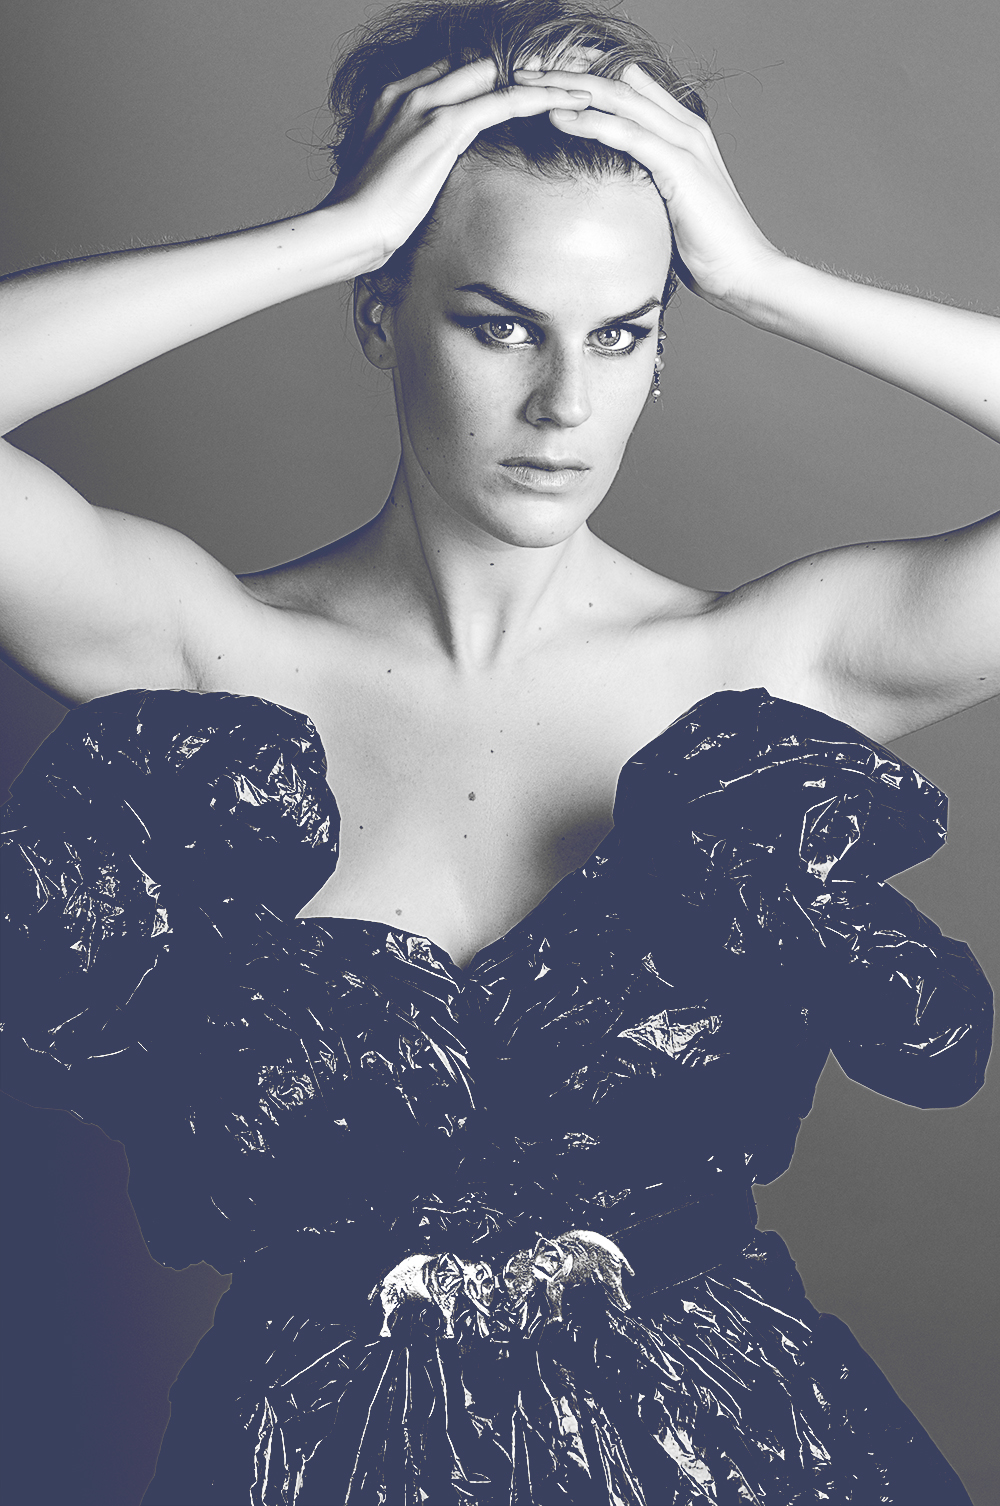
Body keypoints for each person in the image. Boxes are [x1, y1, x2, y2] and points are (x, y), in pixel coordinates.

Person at [1, 0, 995, 1501]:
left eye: (621, 331)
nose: (565, 403)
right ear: (381, 314)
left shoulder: (764, 673)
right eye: (500, 322)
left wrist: (768, 281)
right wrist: (334, 235)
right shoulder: (205, 661)